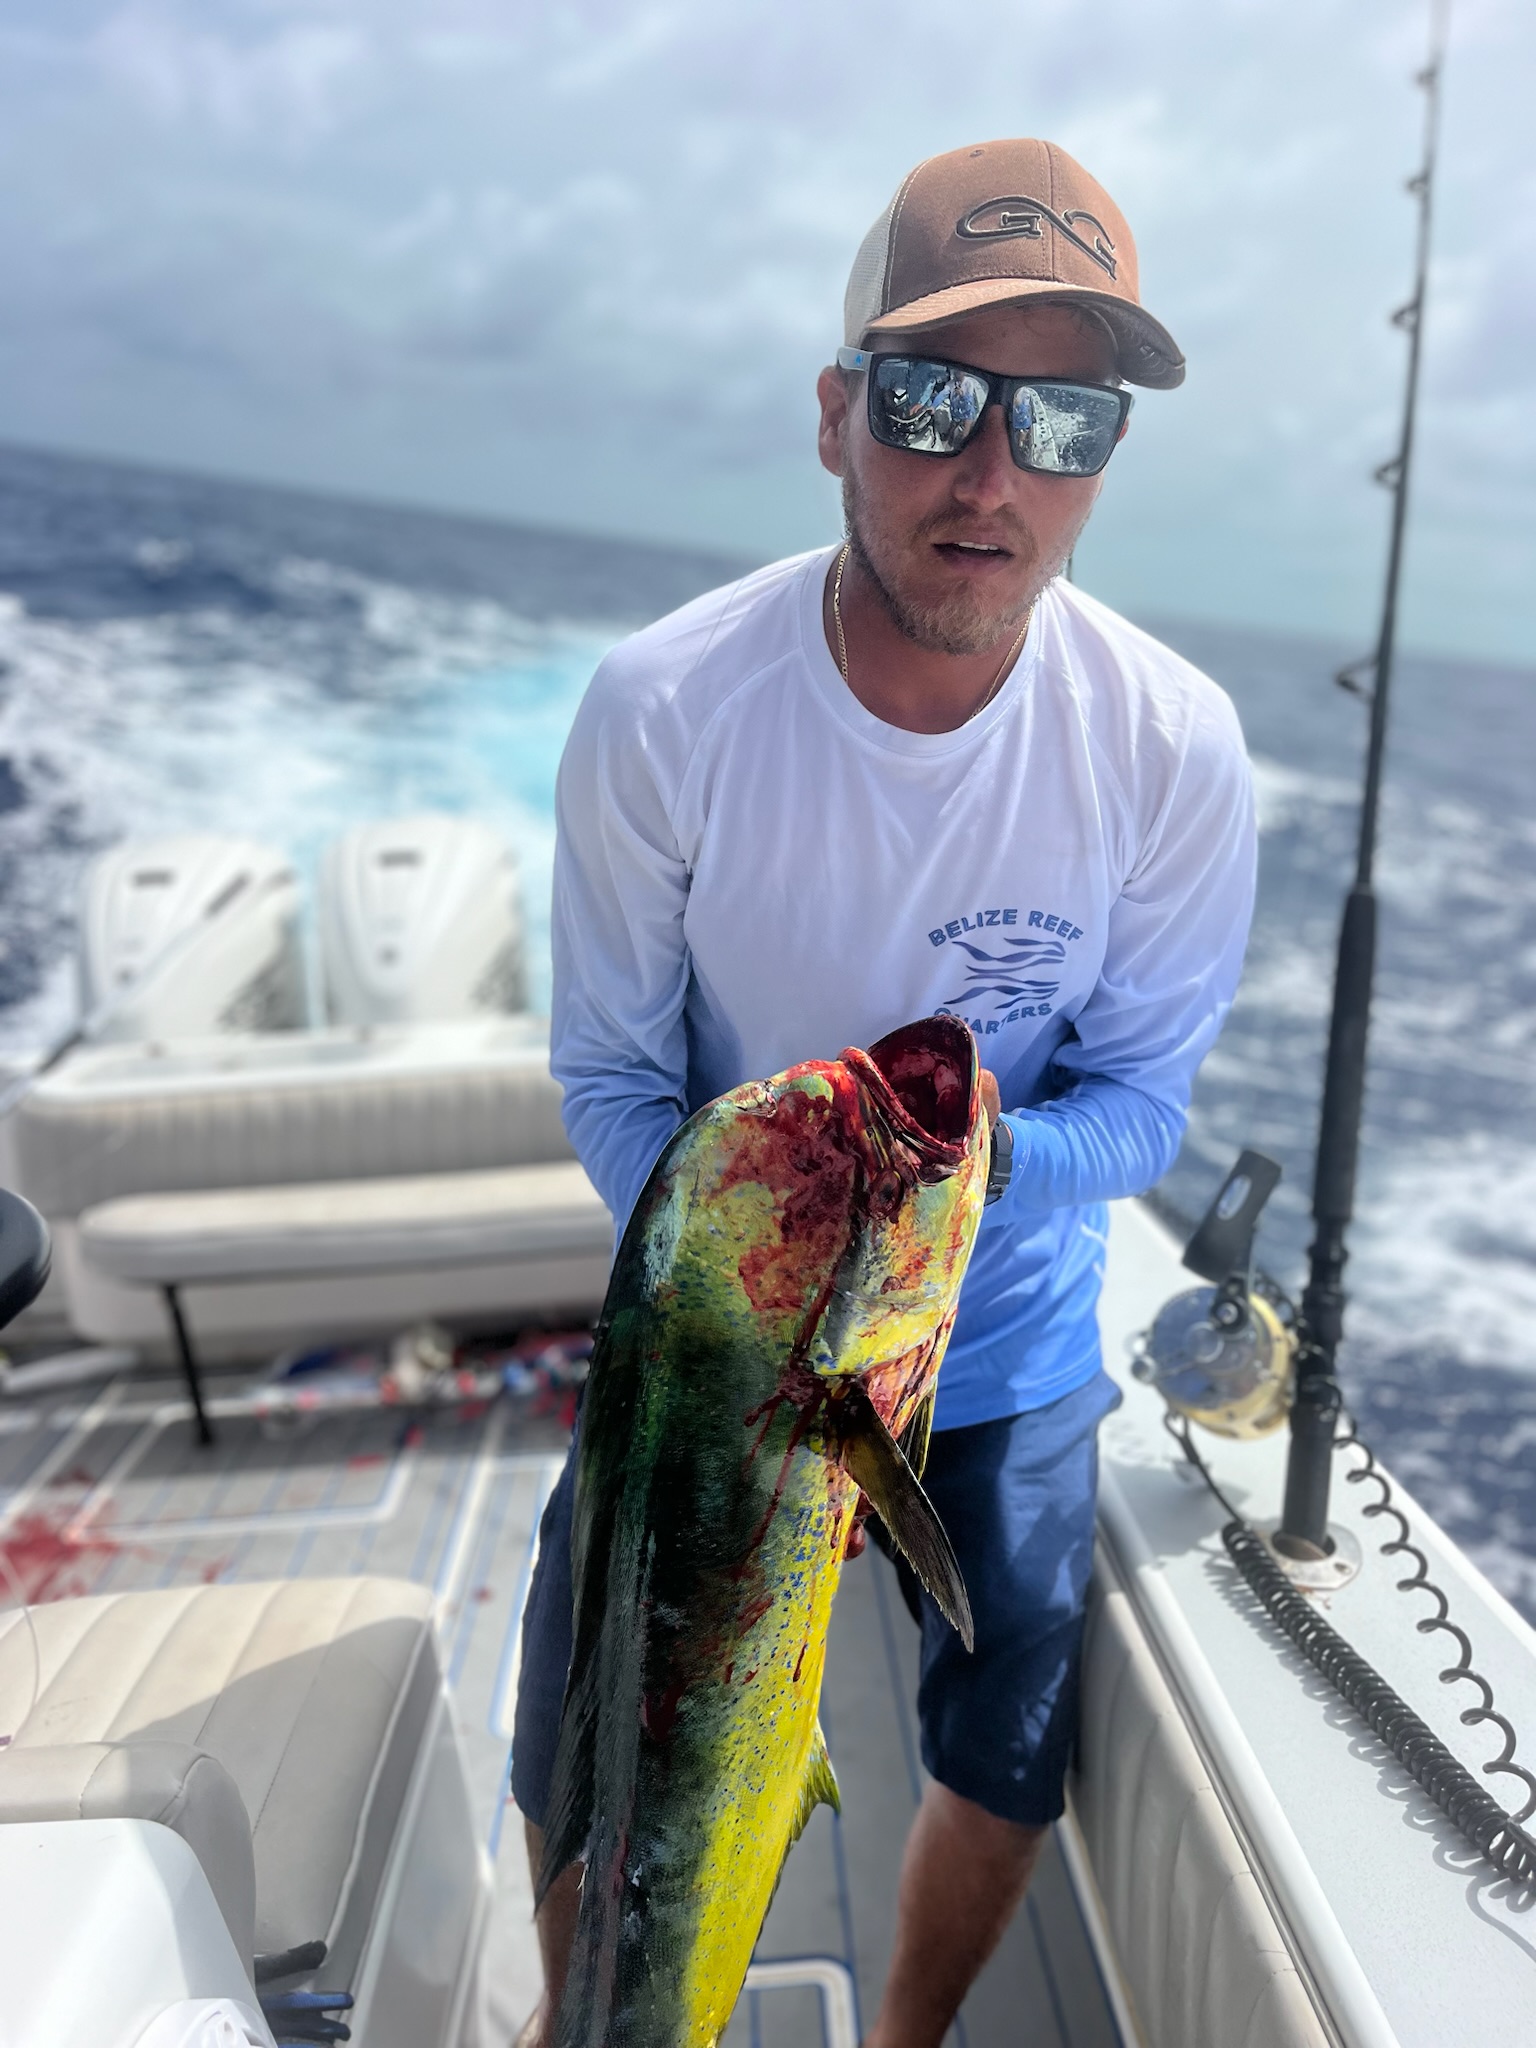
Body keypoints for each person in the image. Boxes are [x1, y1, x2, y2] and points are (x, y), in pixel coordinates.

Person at [512, 137, 1256, 2048]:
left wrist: (939, 1198)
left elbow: (1140, 1110)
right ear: (838, 417)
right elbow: (606, 1069)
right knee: (581, 1736)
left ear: (1104, 464)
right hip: (714, 1365)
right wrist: (748, 1287)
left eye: (1064, 420)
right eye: (934, 400)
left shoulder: (1172, 745)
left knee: (1006, 1750)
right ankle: (585, 2017)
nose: (992, 474)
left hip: (994, 1350)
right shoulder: (667, 708)